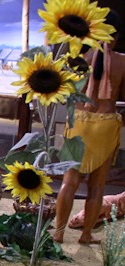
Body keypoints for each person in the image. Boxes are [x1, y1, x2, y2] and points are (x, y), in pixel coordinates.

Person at [54, 10, 124, 245]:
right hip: (105, 125)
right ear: (116, 35)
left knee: (69, 181)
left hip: (80, 123)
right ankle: (85, 234)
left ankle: (59, 233)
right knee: (97, 185)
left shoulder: (79, 59)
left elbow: (69, 94)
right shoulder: (122, 62)